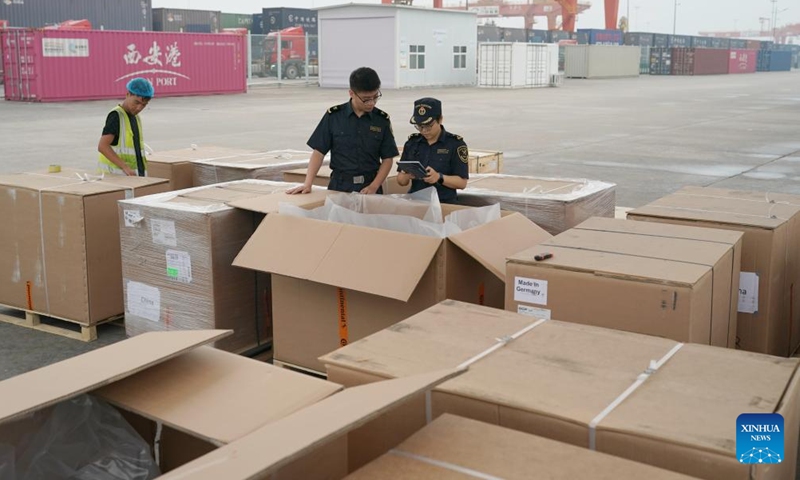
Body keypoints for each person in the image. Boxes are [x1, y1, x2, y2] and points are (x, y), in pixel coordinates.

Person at [287, 67, 398, 195]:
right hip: (340, 186)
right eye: (366, 99)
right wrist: (308, 184)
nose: (371, 103)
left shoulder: (381, 120)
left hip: (370, 186)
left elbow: (387, 159)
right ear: (351, 93)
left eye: (375, 97)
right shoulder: (334, 116)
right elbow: (318, 152)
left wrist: (374, 186)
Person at [396, 98, 469, 204]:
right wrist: (406, 174)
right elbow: (401, 181)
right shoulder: (412, 143)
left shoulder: (455, 144)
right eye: (419, 127)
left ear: (440, 120)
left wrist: (439, 177)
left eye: (429, 126)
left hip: (443, 203)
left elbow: (462, 183)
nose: (424, 131)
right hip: (416, 202)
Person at [97, 77, 154, 176]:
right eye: (136, 102)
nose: (139, 108)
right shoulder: (116, 116)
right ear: (127, 95)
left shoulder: (136, 118)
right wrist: (125, 167)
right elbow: (102, 146)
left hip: (133, 177)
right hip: (116, 177)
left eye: (144, 105)